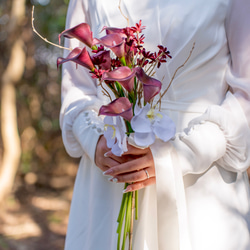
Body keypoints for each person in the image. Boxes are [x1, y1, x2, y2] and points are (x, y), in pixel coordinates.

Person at [60, 0, 250, 249]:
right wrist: (92, 138)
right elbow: (77, 86)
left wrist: (186, 153)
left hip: (201, 182)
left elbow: (245, 96)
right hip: (110, 172)